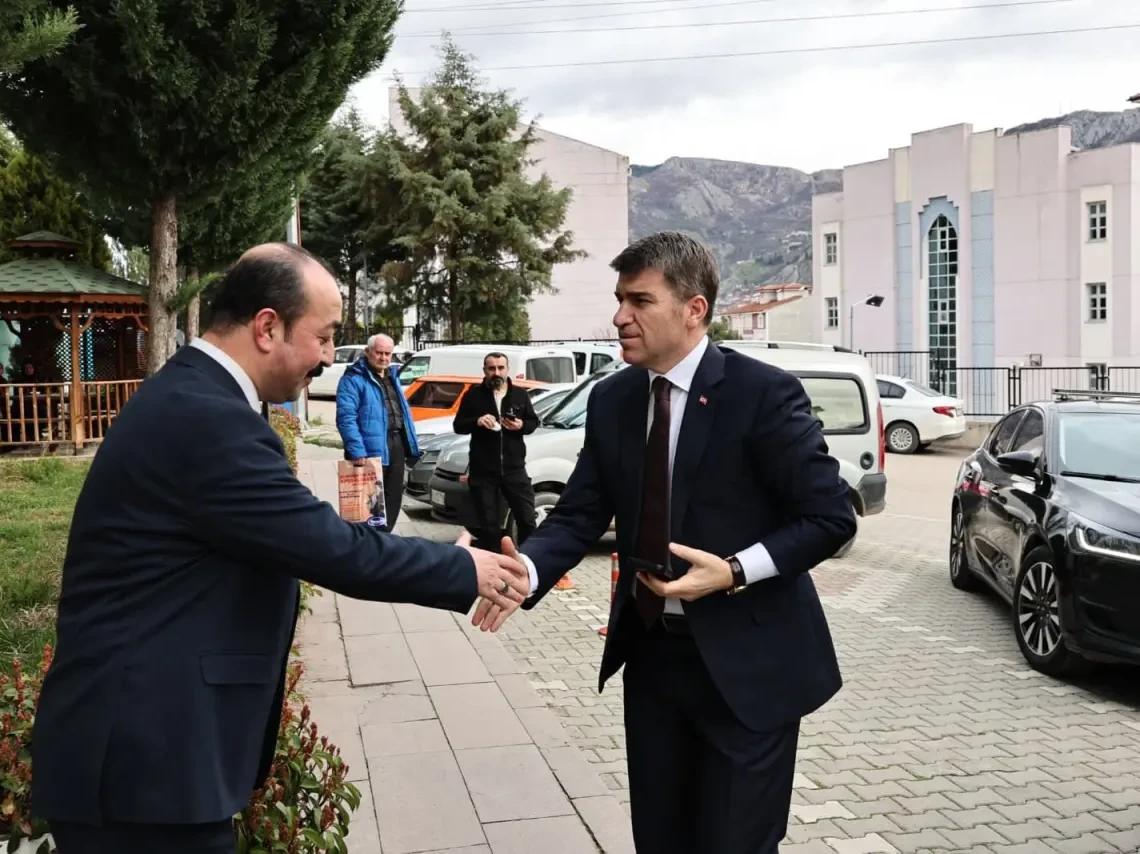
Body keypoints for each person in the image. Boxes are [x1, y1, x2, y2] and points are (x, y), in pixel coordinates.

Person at [30, 243, 530, 854]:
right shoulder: (205, 417)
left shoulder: (198, 398)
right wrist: (463, 567)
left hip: (150, 756)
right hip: (145, 765)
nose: (327, 356)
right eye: (322, 336)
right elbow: (326, 546)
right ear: (268, 326)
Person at [478, 232, 856, 853]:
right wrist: (531, 572)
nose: (620, 316)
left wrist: (734, 571)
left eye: (639, 301)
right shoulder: (613, 398)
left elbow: (830, 516)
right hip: (654, 661)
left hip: (748, 672)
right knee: (659, 840)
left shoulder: (761, 394)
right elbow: (578, 514)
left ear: (694, 309)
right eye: (620, 299)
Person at [452, 352, 540, 553]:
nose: (496, 372)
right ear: (484, 371)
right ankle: (493, 569)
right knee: (489, 526)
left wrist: (521, 425)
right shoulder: (474, 395)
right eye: (491, 368)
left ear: (508, 370)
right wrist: (477, 421)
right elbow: (458, 425)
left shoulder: (519, 394)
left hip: (514, 468)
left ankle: (530, 563)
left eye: (500, 368)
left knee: (526, 519)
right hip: (484, 471)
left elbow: (533, 422)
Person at [335, 333, 417, 531]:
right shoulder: (353, 379)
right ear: (367, 352)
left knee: (393, 497)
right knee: (368, 506)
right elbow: (346, 417)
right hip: (368, 450)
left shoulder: (393, 376)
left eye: (388, 353)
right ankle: (370, 547)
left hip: (396, 444)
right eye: (378, 353)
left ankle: (385, 542)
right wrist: (356, 450)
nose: (383, 358)